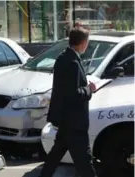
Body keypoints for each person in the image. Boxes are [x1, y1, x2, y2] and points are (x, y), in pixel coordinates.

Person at [39, 27, 97, 177]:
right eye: (87, 42)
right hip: (74, 121)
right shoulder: (72, 62)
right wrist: (89, 89)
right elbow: (74, 94)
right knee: (85, 161)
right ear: (82, 43)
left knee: (55, 155)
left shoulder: (63, 57)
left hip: (65, 119)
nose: (87, 45)